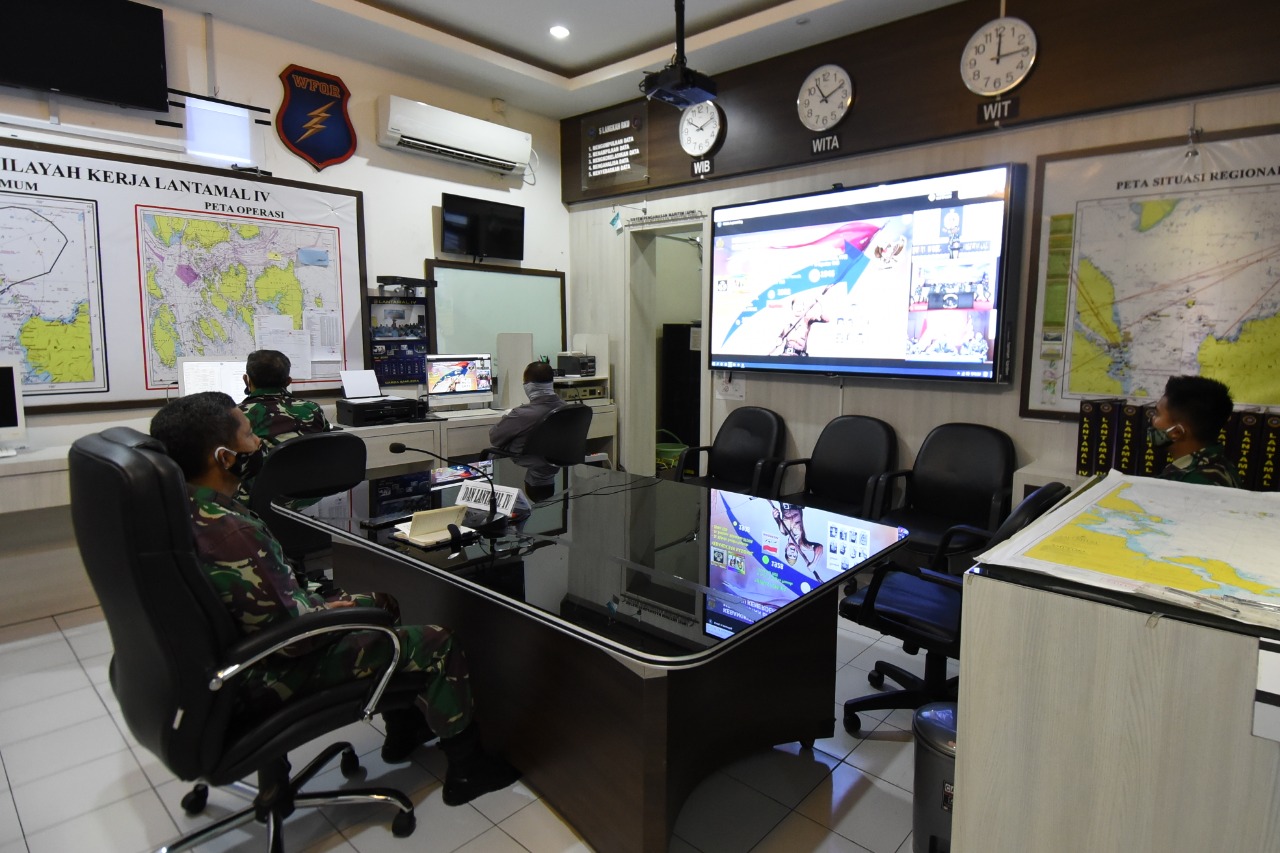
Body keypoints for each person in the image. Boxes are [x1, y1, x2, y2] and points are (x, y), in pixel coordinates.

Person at [150, 392, 520, 805]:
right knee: (438, 641)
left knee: (386, 602)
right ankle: (468, 771)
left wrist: (346, 604)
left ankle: (405, 730)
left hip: (219, 660)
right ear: (223, 457)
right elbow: (296, 638)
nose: (260, 445)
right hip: (267, 671)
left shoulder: (174, 508)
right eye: (252, 436)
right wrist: (339, 610)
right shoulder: (231, 532)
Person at [237, 349, 332, 503]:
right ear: (288, 382)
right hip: (308, 499)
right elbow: (326, 445)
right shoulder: (312, 409)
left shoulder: (237, 416)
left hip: (258, 502)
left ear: (246, 380)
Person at [1149, 375, 1241, 487]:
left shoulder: (1190, 483)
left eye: (1157, 413)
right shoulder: (1220, 463)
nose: (1152, 419)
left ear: (1176, 432)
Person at [488, 361, 564, 492]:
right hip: (558, 465)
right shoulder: (566, 408)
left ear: (528, 386)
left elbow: (494, 438)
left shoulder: (521, 414)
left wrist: (508, 418)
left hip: (523, 464)